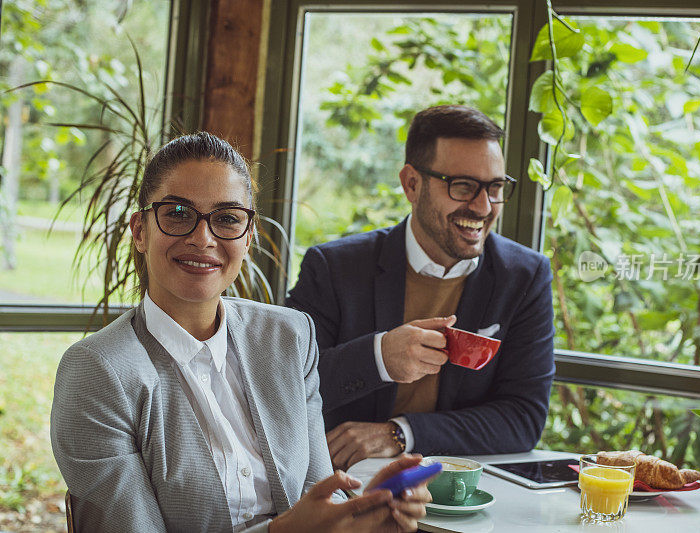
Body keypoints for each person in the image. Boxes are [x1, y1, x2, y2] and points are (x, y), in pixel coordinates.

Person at [50, 132, 430, 532]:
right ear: (140, 231)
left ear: (248, 237)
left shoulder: (289, 337)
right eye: (178, 213)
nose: (202, 238)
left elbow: (319, 494)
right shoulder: (97, 372)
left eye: (227, 218)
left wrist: (364, 512)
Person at [287, 105, 556, 471]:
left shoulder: (525, 277)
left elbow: (523, 417)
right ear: (411, 184)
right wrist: (379, 356)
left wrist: (400, 434)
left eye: (495, 188)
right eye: (463, 186)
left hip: (461, 487)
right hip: (344, 486)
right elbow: (285, 386)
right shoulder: (333, 268)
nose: (483, 206)